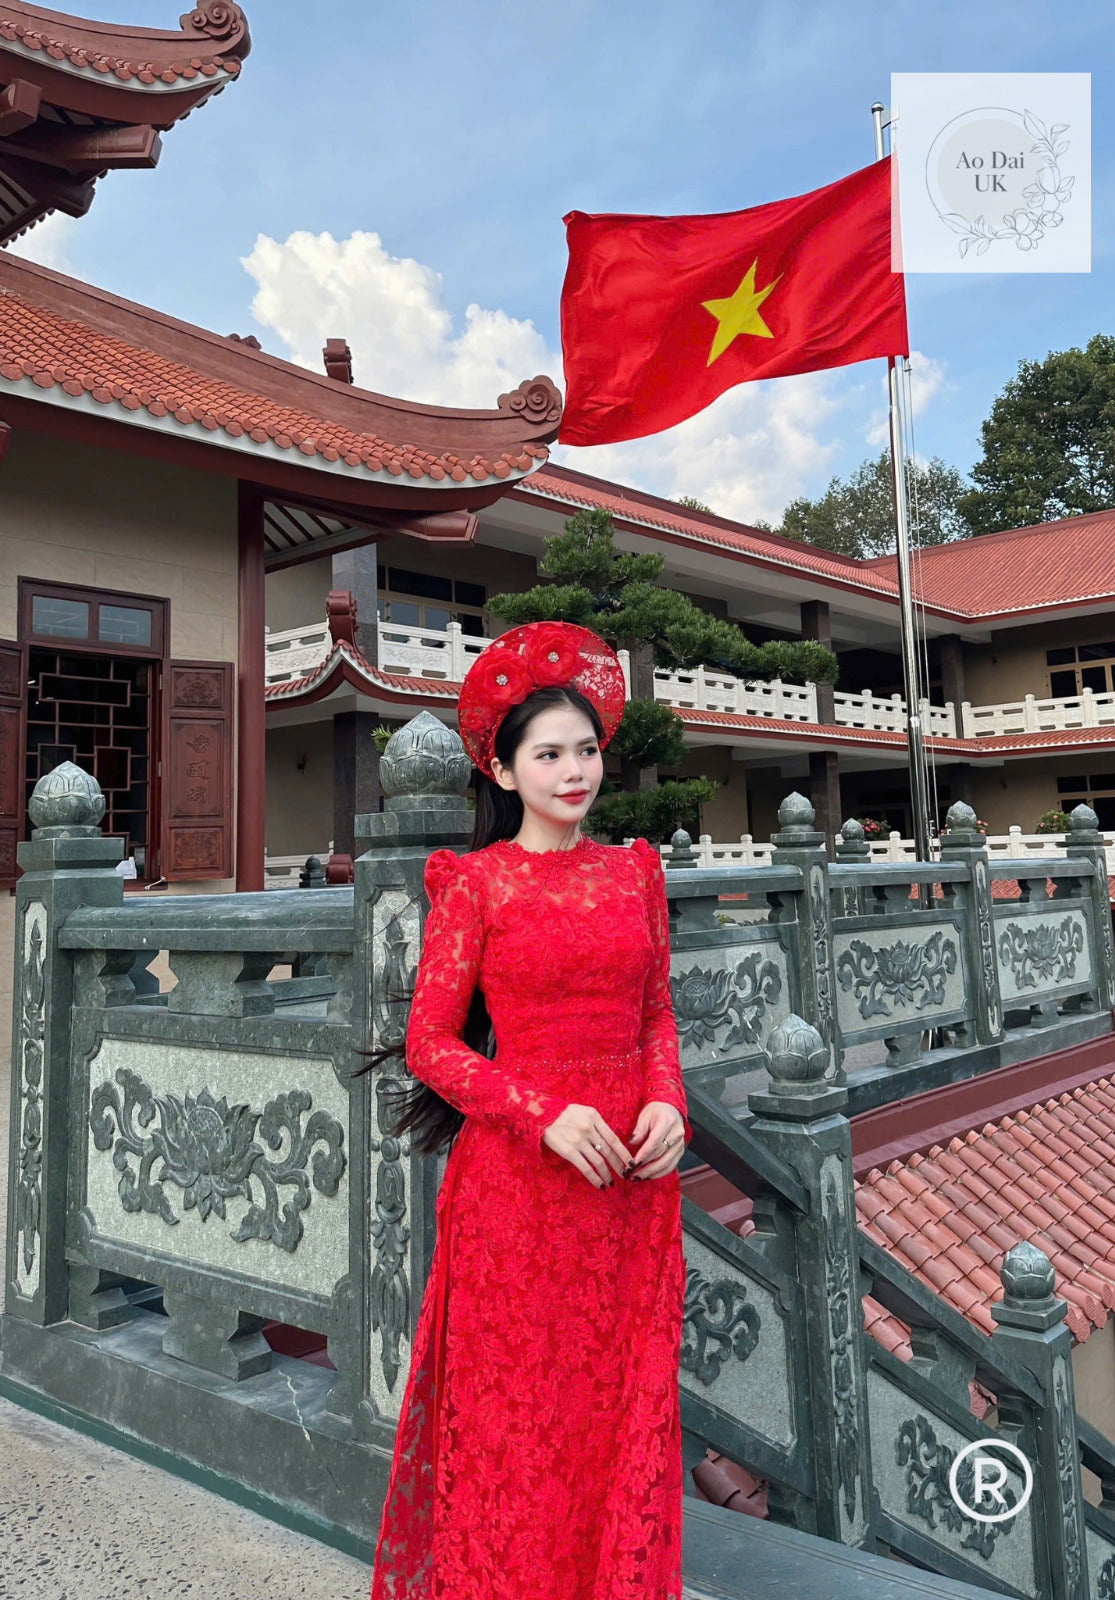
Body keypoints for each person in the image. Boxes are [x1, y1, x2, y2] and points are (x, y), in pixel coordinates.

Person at [366, 620, 691, 1600]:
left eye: (585, 749)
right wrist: (541, 1112)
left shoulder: (635, 871)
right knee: (517, 1428)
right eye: (548, 752)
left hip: (631, 1193)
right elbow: (431, 1044)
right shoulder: (476, 883)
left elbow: (656, 1012)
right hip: (517, 1195)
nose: (574, 768)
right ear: (503, 772)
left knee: (619, 1414)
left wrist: (670, 1104)